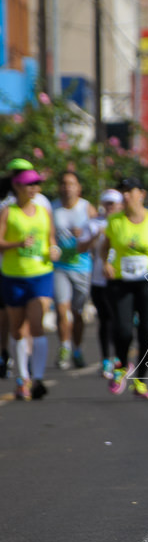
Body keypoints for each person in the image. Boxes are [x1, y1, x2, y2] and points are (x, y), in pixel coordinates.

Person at [100, 177, 148, 400]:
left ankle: (140, 379)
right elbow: (105, 246)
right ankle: (121, 364)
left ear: (141, 193)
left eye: (130, 191)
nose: (126, 195)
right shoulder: (115, 221)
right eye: (123, 192)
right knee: (122, 328)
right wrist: (105, 263)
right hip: (121, 281)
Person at [0, 168, 60, 399]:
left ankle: (37, 378)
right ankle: (22, 377)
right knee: (17, 330)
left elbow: (51, 239)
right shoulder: (8, 212)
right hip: (13, 276)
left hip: (41, 275)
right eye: (29, 184)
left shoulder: (44, 211)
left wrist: (54, 250)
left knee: (37, 326)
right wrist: (18, 244)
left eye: (37, 184)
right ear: (17, 186)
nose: (34, 188)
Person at [52, 171, 98, 370]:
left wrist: (85, 235)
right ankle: (64, 347)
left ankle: (77, 349)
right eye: (63, 183)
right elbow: (48, 234)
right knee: (62, 310)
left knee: (77, 313)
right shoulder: (52, 208)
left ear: (78, 187)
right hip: (60, 267)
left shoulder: (87, 208)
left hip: (82, 267)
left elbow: (99, 234)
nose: (67, 187)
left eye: (71, 183)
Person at [89, 189, 123, 378]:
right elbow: (82, 247)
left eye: (114, 203)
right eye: (107, 203)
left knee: (120, 321)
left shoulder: (122, 222)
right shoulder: (94, 224)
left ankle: (120, 357)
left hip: (120, 279)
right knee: (104, 320)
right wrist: (95, 236)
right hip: (99, 280)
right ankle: (106, 359)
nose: (110, 206)